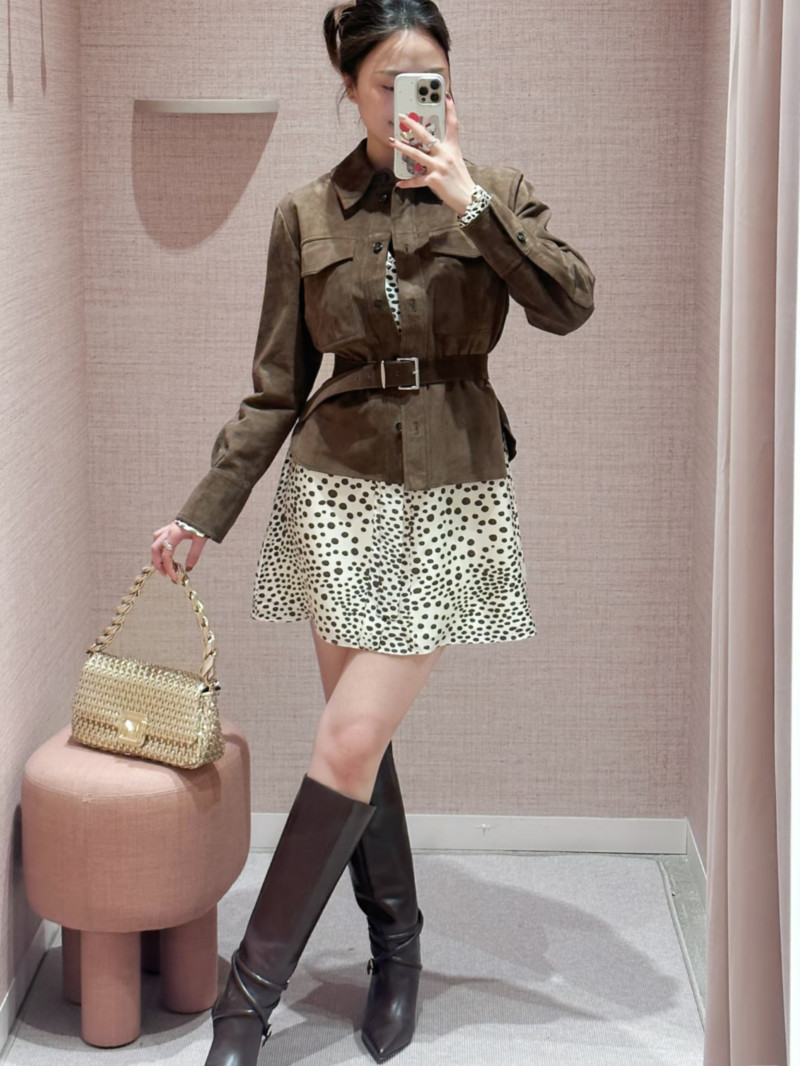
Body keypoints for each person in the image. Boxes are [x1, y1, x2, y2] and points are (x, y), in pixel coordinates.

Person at [150, 2, 595, 1063]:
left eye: (429, 80)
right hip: (335, 492)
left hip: (451, 493)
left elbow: (569, 301)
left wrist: (468, 199)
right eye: (388, 84)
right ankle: (397, 952)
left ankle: (243, 1007)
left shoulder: (495, 191)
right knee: (358, 740)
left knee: (347, 738)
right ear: (348, 89)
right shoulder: (304, 214)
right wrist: (204, 509)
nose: (409, 103)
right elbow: (273, 389)